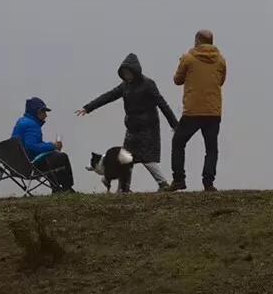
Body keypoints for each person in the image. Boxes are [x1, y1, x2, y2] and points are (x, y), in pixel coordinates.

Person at [77, 53, 178, 192]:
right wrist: (88, 107)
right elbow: (108, 96)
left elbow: (162, 103)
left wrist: (174, 124)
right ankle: (124, 189)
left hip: (148, 127)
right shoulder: (125, 86)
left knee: (147, 159)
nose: (126, 76)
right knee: (125, 159)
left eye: (128, 72)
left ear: (135, 71)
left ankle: (163, 184)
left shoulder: (148, 84)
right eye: (124, 73)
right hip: (132, 128)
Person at [171, 29, 227, 191]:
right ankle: (208, 183)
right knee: (211, 148)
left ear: (197, 41)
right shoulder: (221, 60)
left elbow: (177, 80)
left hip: (192, 111)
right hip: (213, 111)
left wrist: (181, 62)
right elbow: (221, 81)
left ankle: (179, 179)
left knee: (178, 143)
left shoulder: (188, 59)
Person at [12, 97, 75, 193]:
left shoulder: (21, 122)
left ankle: (56, 188)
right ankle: (67, 188)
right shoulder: (32, 125)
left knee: (52, 156)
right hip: (29, 164)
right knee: (61, 157)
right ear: (37, 112)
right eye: (44, 112)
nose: (46, 116)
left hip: (17, 163)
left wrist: (49, 146)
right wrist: (53, 146)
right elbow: (32, 146)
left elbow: (30, 144)